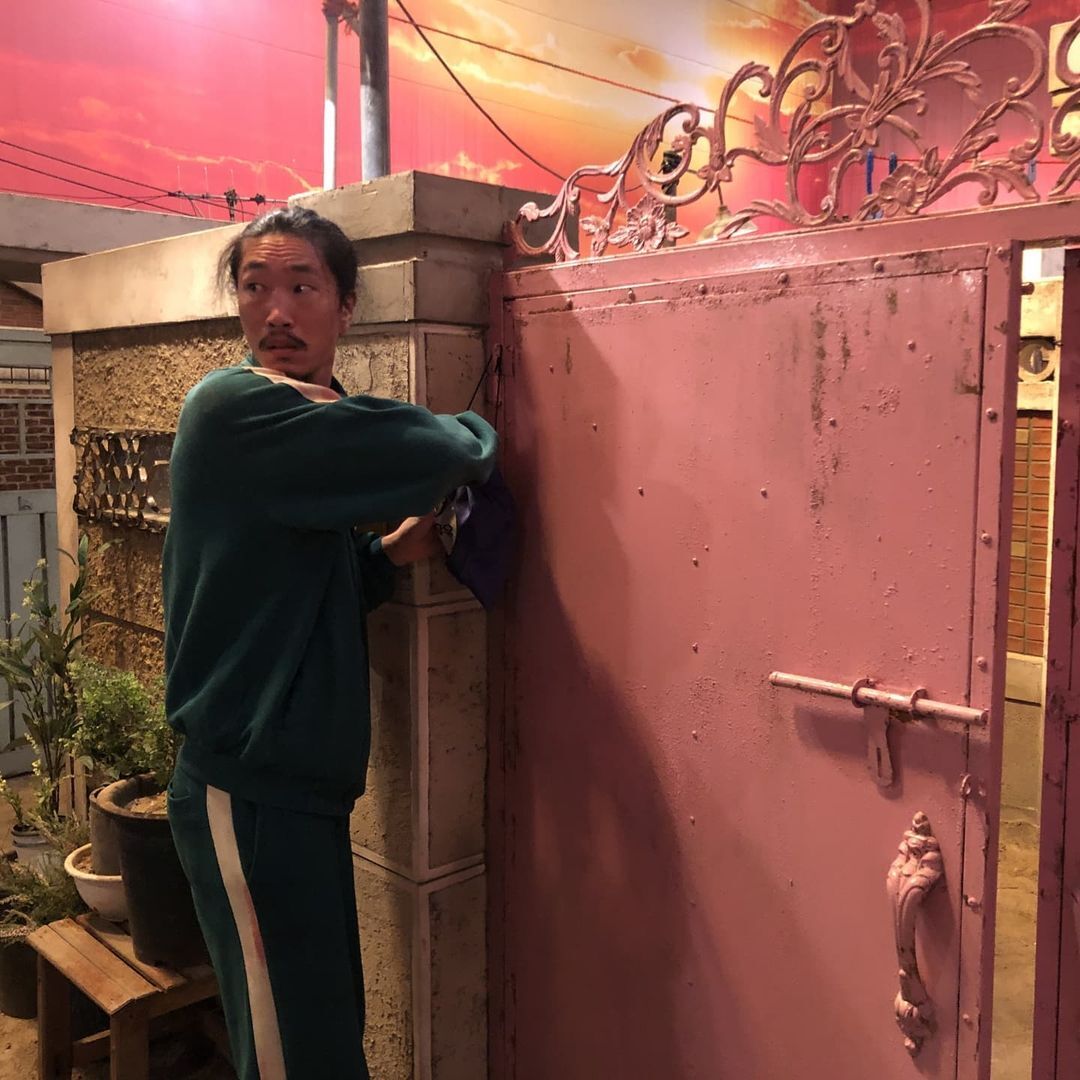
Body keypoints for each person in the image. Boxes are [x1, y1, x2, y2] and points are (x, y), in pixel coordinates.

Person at [163, 207, 497, 1079]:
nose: (277, 311)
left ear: (346, 306)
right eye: (256, 287)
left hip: (296, 795)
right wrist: (484, 430)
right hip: (248, 792)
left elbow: (287, 579)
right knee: (293, 1058)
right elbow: (438, 452)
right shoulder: (235, 407)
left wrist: (382, 558)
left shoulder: (307, 422)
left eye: (302, 287)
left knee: (320, 1039)